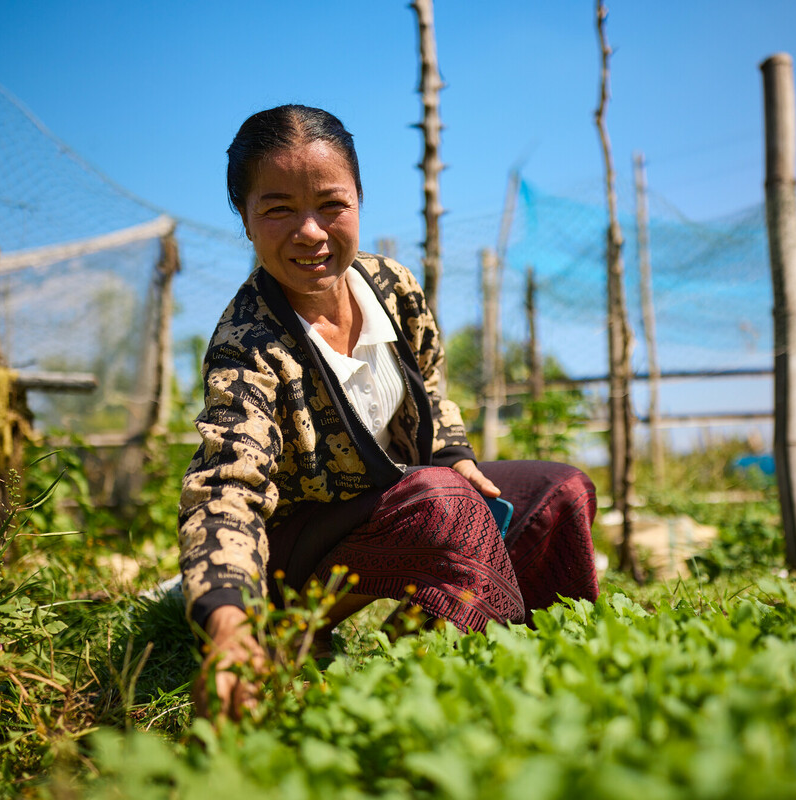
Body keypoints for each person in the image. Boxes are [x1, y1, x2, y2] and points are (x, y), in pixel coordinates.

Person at [180, 104, 599, 720]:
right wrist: (226, 623)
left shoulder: (392, 288)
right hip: (298, 556)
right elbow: (224, 492)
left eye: (331, 204)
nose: (311, 232)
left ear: (359, 200)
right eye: (277, 209)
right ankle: (487, 695)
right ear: (244, 220)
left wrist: (454, 451)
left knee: (561, 491)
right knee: (441, 502)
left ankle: (541, 659)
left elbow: (430, 389)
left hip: (399, 508)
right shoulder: (248, 345)